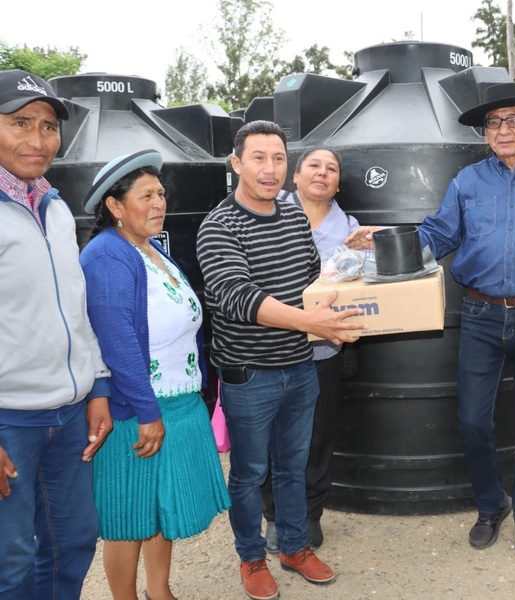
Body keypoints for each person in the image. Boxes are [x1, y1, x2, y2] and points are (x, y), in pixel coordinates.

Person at [348, 82, 515, 556]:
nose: (503, 130)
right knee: (472, 421)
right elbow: (438, 235)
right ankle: (490, 505)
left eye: (513, 120)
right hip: (480, 317)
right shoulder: (467, 182)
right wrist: (387, 241)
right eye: (494, 123)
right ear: (485, 134)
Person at [196, 121, 365, 600]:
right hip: (250, 375)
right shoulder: (219, 225)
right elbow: (238, 296)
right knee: (251, 473)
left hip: (301, 367)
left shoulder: (293, 220)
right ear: (236, 164)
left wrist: (352, 289)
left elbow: (312, 283)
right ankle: (252, 558)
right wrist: (314, 324)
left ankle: (293, 545)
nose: (269, 170)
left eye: (277, 159)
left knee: (293, 465)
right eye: (258, 158)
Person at [79, 150, 231, 600]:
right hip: (138, 410)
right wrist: (146, 411)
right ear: (115, 206)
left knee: (161, 509)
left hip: (177, 402)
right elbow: (118, 342)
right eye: (146, 195)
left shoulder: (152, 249)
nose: (159, 203)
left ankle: (159, 591)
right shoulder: (107, 256)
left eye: (161, 193)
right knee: (129, 516)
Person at [0, 68, 113, 599]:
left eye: (48, 126)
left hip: (69, 416)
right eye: (20, 122)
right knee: (11, 561)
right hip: (9, 422)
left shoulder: (57, 207)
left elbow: (76, 308)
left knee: (72, 543)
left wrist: (98, 385)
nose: (38, 138)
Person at [262, 148, 361, 553]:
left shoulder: (349, 227)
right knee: (274, 440)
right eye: (314, 167)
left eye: (332, 169)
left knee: (317, 438)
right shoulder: (267, 214)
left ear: (338, 184)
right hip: (274, 349)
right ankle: (275, 516)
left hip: (324, 353)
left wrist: (369, 251)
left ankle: (310, 513)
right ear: (295, 177)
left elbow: (365, 284)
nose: (323, 174)